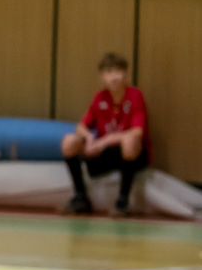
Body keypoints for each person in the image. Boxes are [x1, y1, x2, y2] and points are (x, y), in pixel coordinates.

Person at [62, 52, 152, 216]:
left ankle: (122, 201)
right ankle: (80, 197)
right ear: (102, 76)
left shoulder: (135, 96)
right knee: (68, 141)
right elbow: (81, 126)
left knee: (129, 140)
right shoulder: (100, 98)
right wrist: (89, 137)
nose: (114, 77)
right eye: (109, 72)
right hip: (107, 154)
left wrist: (104, 140)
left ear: (125, 74)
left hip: (133, 155)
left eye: (118, 71)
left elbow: (137, 132)